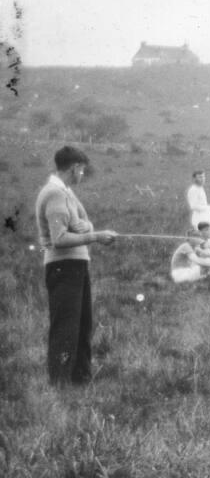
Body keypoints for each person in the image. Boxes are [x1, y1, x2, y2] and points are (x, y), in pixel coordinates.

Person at [35, 145, 117, 386]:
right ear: (74, 168)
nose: (83, 175)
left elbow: (85, 221)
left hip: (76, 265)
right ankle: (60, 384)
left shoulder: (66, 192)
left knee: (82, 325)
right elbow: (59, 239)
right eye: (82, 170)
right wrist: (96, 235)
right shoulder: (55, 194)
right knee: (66, 327)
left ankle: (80, 380)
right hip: (63, 267)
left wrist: (88, 228)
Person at [187, 170, 210, 236]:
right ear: (194, 179)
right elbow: (193, 206)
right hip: (199, 217)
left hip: (206, 216)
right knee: (202, 236)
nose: (203, 179)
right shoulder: (193, 189)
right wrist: (207, 208)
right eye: (200, 177)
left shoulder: (200, 188)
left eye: (203, 177)